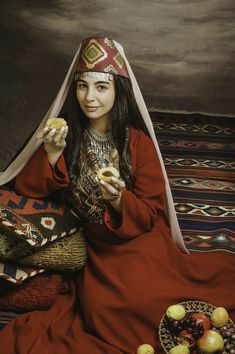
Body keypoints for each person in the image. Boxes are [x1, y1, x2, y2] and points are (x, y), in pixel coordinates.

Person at [0, 36, 234, 354]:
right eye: (82, 86)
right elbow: (28, 190)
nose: (89, 97)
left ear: (117, 90)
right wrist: (52, 154)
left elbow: (151, 211)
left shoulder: (137, 143)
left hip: (139, 239)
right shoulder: (64, 135)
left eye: (101, 87)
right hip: (97, 248)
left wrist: (119, 199)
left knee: (150, 297)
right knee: (104, 312)